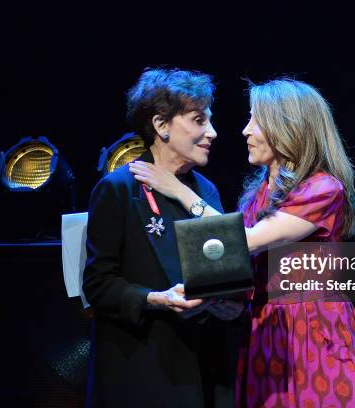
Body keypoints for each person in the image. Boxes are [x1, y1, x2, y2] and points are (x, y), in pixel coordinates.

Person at [129, 78, 355, 407]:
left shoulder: (322, 189)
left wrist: (178, 191)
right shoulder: (257, 194)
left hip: (310, 332)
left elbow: (243, 242)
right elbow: (239, 262)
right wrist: (232, 302)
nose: (245, 130)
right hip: (264, 330)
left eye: (255, 120)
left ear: (286, 128)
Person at [83, 68, 239, 408]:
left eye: (209, 121)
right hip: (144, 368)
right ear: (161, 125)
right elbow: (97, 285)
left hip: (204, 366)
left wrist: (230, 305)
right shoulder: (119, 189)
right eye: (199, 120)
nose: (212, 132)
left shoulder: (206, 191)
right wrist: (158, 298)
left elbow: (223, 269)